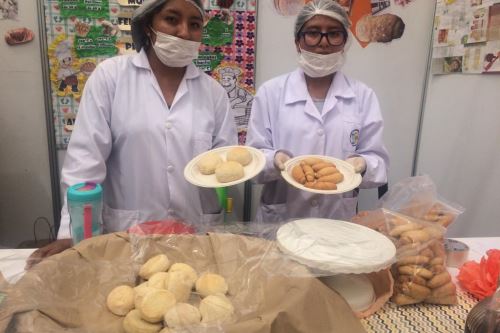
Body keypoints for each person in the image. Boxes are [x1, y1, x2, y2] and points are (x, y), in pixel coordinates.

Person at [27, 0, 237, 268]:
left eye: (194, 24)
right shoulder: (111, 78)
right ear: (148, 24)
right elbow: (84, 163)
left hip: (194, 236)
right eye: (172, 19)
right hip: (127, 237)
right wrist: (72, 231)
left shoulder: (214, 93)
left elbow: (224, 164)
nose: (184, 32)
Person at [246, 0, 389, 223]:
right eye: (313, 33)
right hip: (282, 219)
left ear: (345, 41)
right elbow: (253, 161)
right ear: (297, 42)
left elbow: (378, 163)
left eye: (334, 34)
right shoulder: (271, 93)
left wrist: (363, 165)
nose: (323, 43)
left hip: (338, 219)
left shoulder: (363, 96)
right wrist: (274, 160)